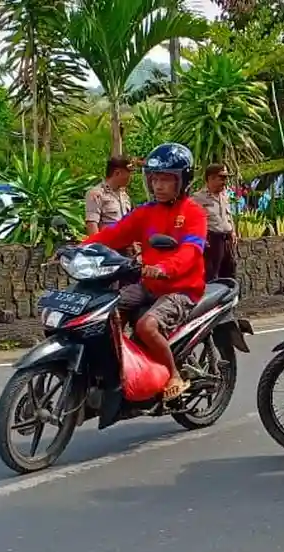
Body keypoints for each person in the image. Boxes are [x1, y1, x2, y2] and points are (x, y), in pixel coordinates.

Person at [82, 143, 208, 401]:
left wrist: (164, 268)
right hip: (148, 284)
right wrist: (76, 249)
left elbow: (190, 252)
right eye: (154, 179)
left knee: (147, 326)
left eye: (166, 180)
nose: (158, 186)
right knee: (101, 314)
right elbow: (112, 234)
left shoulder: (194, 214)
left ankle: (174, 374)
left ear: (182, 181)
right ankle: (118, 369)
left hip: (182, 288)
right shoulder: (146, 213)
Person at [193, 163, 237, 281]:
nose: (225, 181)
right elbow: (192, 221)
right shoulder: (198, 198)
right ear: (210, 178)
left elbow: (228, 215)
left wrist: (233, 231)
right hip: (212, 240)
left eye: (226, 178)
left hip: (226, 240)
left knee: (230, 273)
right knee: (212, 274)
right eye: (221, 178)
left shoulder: (224, 195)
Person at [85, 155, 134, 236]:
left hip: (125, 245)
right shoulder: (96, 194)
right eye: (129, 173)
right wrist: (98, 248)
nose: (130, 177)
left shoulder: (124, 196)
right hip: (106, 246)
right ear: (117, 173)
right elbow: (92, 226)